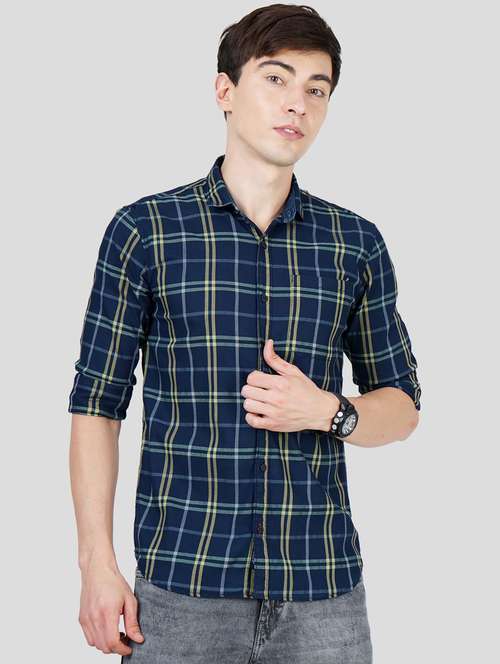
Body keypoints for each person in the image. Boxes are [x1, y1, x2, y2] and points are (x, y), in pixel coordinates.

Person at [68, 4, 421, 662]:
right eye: (276, 78)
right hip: (183, 589)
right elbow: (97, 403)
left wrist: (327, 411)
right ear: (225, 91)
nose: (298, 105)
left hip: (323, 594)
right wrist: (97, 564)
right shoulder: (145, 232)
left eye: (317, 89)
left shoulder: (354, 244)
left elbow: (401, 407)